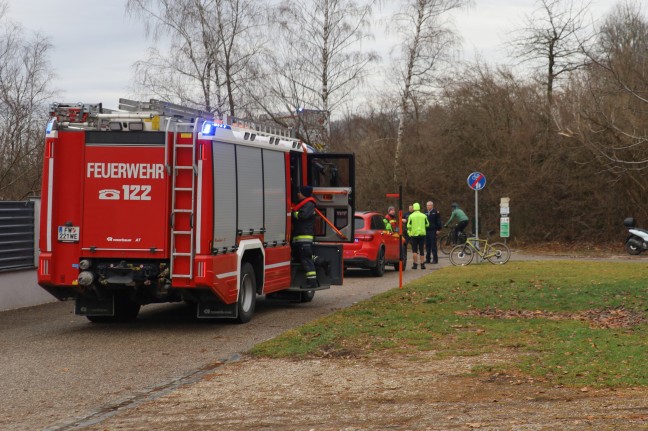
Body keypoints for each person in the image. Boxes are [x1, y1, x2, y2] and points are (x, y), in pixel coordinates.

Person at [292, 185, 317, 288]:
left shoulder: (309, 205)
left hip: (304, 238)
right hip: (300, 239)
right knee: (304, 258)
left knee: (306, 260)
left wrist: (292, 213)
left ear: (304, 194)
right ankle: (321, 261)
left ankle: (311, 283)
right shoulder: (305, 204)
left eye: (300, 192)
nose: (298, 194)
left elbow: (302, 216)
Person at [407, 202, 429, 269]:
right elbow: (427, 224)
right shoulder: (424, 215)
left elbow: (408, 225)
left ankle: (415, 264)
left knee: (414, 250)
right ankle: (422, 264)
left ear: (413, 208)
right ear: (419, 207)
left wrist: (410, 232)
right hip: (422, 234)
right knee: (421, 249)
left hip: (414, 235)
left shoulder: (411, 216)